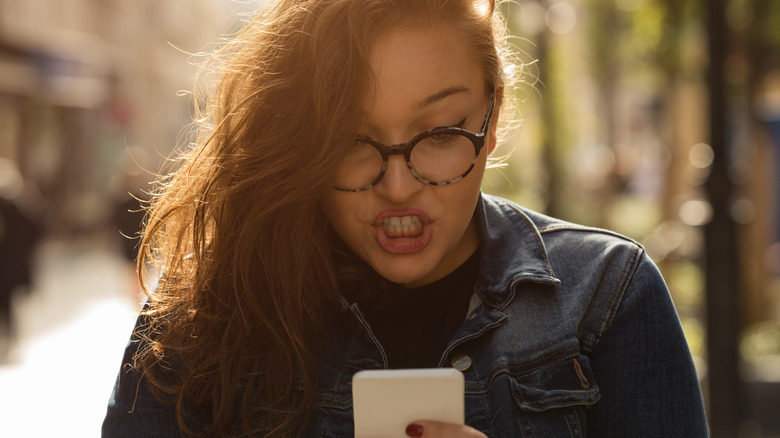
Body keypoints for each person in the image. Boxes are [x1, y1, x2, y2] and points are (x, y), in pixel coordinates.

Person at [102, 0, 709, 436]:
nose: (397, 186)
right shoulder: (208, 310)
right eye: (351, 140)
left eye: (441, 133)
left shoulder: (606, 297)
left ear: (493, 116)